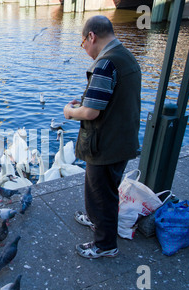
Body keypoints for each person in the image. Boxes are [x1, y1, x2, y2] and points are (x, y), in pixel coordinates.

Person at [63, 15, 141, 259]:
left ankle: (105, 245)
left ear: (91, 36)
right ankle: (94, 218)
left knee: (101, 193)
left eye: (82, 42)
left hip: (105, 144)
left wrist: (70, 112)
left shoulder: (105, 63)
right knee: (106, 188)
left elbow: (91, 112)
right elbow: (116, 99)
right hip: (123, 139)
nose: (84, 48)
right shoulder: (126, 56)